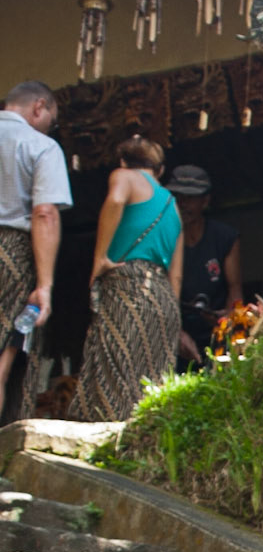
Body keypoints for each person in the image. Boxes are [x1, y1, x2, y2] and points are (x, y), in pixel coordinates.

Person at [70, 135, 183, 422]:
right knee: (153, 387)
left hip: (127, 287)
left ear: (124, 161)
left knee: (115, 372)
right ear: (159, 169)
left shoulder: (123, 176)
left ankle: (110, 450)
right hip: (163, 299)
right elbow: (177, 275)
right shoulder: (174, 206)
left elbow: (116, 201)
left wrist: (100, 257)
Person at [0, 80, 70, 421]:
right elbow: (44, 212)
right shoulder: (41, 147)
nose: (50, 129)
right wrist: (44, 286)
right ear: (38, 107)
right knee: (3, 358)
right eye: (52, 122)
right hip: (9, 254)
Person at [167, 164, 245, 368]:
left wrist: (228, 320)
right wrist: (175, 332)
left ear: (205, 201)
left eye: (190, 198)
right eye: (178, 197)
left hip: (215, 331)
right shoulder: (164, 239)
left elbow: (234, 289)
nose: (183, 204)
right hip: (174, 330)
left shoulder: (224, 237)